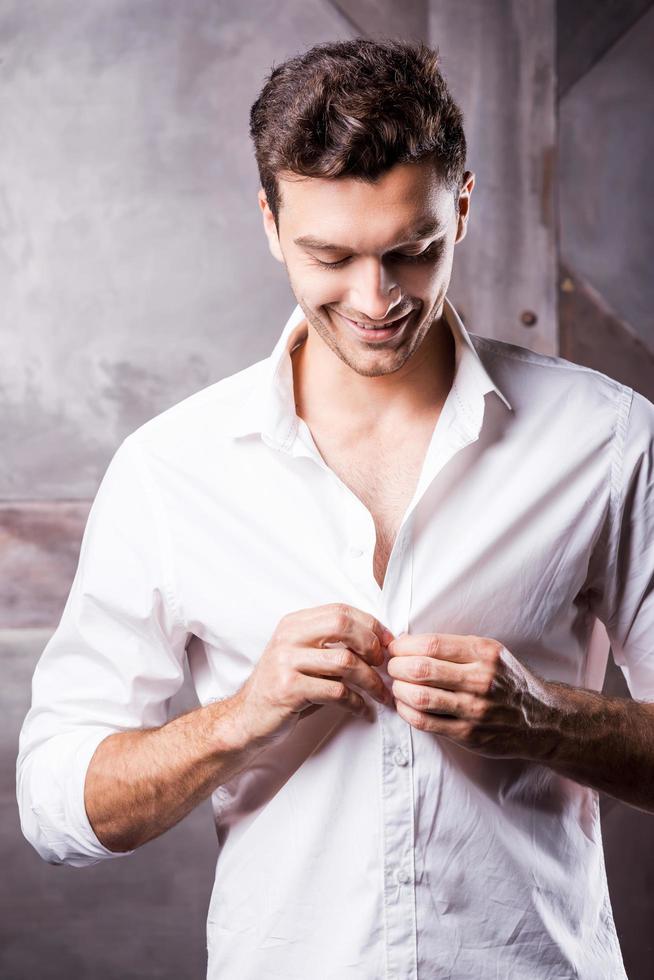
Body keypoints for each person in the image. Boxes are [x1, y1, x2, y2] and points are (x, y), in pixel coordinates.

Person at [16, 36, 654, 980]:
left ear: (464, 207)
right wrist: (241, 718)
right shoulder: (169, 469)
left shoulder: (607, 439)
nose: (376, 299)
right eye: (331, 255)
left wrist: (545, 720)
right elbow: (56, 806)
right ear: (270, 222)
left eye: (412, 250)